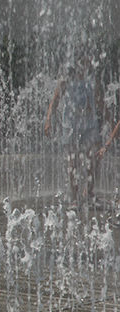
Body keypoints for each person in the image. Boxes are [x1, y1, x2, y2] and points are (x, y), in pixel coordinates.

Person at [44, 53, 108, 205]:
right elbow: (55, 101)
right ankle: (74, 197)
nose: (88, 63)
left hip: (90, 125)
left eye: (88, 61)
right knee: (73, 162)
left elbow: (100, 102)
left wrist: (110, 121)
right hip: (71, 126)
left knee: (93, 159)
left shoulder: (92, 80)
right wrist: (48, 120)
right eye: (84, 61)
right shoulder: (66, 80)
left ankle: (89, 193)